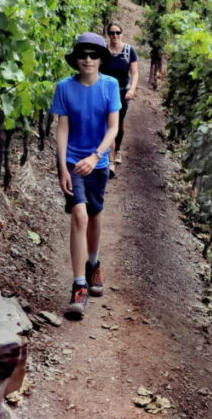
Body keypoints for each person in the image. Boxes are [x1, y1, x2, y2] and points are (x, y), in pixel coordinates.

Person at [51, 32, 121, 319]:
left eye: (94, 55)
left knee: (94, 214)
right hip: (73, 162)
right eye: (83, 55)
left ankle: (94, 264)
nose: (88, 60)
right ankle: (78, 286)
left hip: (98, 162)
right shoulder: (64, 88)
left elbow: (113, 127)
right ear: (75, 59)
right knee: (78, 215)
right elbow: (62, 129)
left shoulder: (111, 85)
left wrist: (96, 156)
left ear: (101, 59)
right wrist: (62, 168)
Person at [99, 23, 138, 177]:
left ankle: (117, 150)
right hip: (104, 93)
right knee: (105, 124)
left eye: (117, 32)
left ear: (122, 33)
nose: (115, 36)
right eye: (111, 33)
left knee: (118, 126)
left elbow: (134, 73)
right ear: (108, 34)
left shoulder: (129, 51)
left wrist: (132, 89)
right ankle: (109, 158)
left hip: (121, 93)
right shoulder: (103, 52)